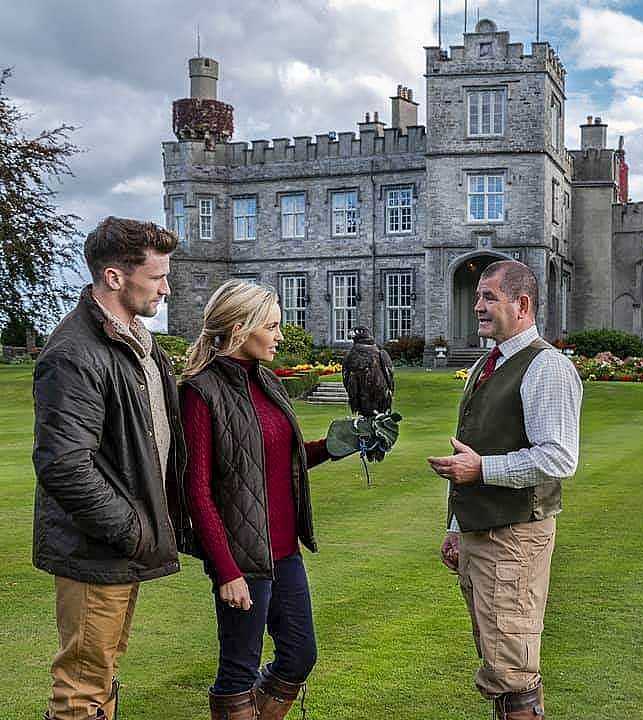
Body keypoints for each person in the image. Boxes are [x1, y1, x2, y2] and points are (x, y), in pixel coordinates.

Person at [179, 280, 382, 720]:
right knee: (238, 671)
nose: (279, 336)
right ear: (240, 327)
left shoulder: (267, 381)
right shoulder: (201, 392)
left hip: (285, 550)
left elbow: (277, 460)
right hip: (242, 557)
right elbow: (197, 490)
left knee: (299, 655)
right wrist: (226, 571)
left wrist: (333, 445)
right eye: (271, 326)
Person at [32, 216, 187, 720]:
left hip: (121, 544)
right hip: (97, 547)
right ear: (115, 277)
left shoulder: (137, 340)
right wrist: (135, 530)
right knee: (81, 686)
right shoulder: (75, 354)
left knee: (101, 673)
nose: (167, 287)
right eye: (158, 276)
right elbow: (64, 466)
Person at [428, 260, 583, 719]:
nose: (477, 306)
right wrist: (457, 529)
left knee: (513, 671)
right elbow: (472, 448)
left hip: (514, 537)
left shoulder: (546, 368)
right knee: (497, 660)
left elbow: (559, 457)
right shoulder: (486, 363)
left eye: (488, 297)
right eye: (477, 296)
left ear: (522, 304)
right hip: (481, 533)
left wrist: (481, 471)